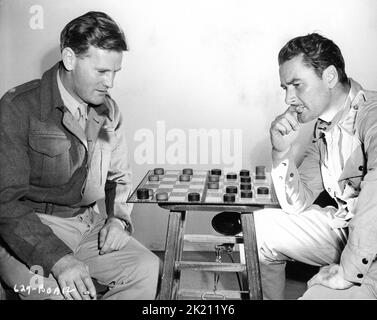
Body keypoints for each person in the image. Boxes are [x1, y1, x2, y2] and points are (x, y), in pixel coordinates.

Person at [0, 11, 160, 300]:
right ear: (70, 59)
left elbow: (120, 177)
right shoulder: (17, 107)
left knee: (146, 268)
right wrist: (59, 260)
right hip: (28, 231)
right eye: (101, 71)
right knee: (59, 294)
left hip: (87, 224)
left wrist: (118, 220)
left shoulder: (109, 110)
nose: (110, 82)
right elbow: (4, 203)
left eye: (115, 72)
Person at [255, 33, 377, 299]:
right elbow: (296, 204)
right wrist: (281, 150)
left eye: (296, 85)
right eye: (285, 88)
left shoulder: (373, 115)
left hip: (372, 242)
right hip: (347, 228)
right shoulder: (323, 128)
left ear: (330, 76)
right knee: (258, 228)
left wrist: (347, 271)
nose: (289, 99)